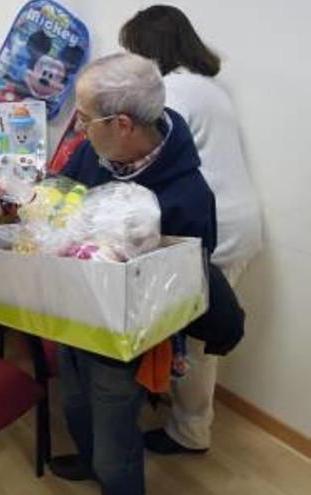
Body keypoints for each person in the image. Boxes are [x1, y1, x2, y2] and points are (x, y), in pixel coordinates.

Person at [48, 53, 217, 495]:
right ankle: (89, 461)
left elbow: (184, 284)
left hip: (124, 339)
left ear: (122, 124)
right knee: (75, 403)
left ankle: (112, 476)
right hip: (71, 314)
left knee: (115, 442)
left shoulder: (187, 195)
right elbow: (59, 195)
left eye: (84, 119)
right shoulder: (94, 151)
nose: (79, 128)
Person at [120, 4, 263, 455]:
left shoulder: (172, 92)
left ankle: (190, 433)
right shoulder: (209, 88)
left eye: (133, 52)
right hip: (238, 219)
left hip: (214, 227)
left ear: (151, 49)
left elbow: (145, 159)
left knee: (198, 336)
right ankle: (182, 413)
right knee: (196, 330)